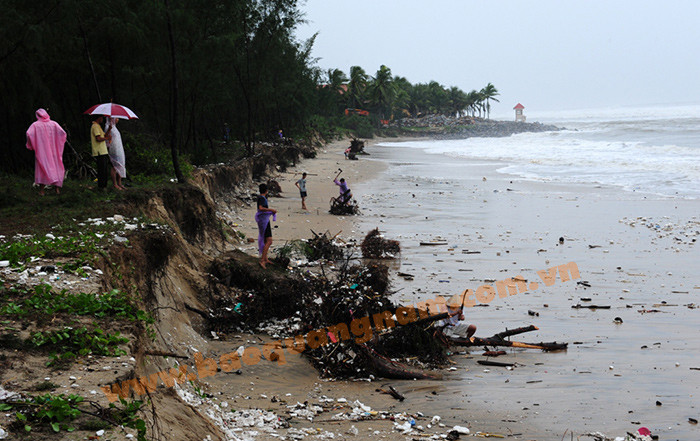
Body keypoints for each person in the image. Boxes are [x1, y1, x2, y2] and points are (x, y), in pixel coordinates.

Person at [25, 108, 66, 195]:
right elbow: (62, 133)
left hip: (42, 152)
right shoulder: (54, 124)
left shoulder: (35, 125)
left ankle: (42, 191)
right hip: (54, 151)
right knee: (56, 166)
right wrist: (59, 143)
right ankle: (57, 189)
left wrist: (30, 145)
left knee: (42, 167)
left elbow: (29, 134)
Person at [255, 183, 277, 269]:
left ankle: (266, 258)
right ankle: (262, 260)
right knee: (269, 241)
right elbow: (260, 208)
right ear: (266, 191)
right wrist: (271, 209)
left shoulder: (261, 198)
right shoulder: (262, 198)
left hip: (262, 220)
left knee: (265, 240)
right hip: (264, 221)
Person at [90, 115, 112, 189]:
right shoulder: (95, 126)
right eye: (102, 118)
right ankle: (102, 186)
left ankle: (103, 185)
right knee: (102, 170)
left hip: (103, 150)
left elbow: (103, 135)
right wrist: (106, 138)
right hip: (99, 151)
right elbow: (98, 138)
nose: (102, 119)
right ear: (99, 118)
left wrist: (109, 129)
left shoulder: (98, 126)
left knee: (104, 169)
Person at [105, 117, 126, 190]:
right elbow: (106, 137)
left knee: (120, 165)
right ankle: (115, 184)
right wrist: (109, 129)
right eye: (116, 118)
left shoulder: (114, 127)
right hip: (114, 149)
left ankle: (119, 183)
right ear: (112, 119)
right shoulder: (108, 127)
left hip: (119, 149)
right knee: (114, 166)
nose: (118, 119)